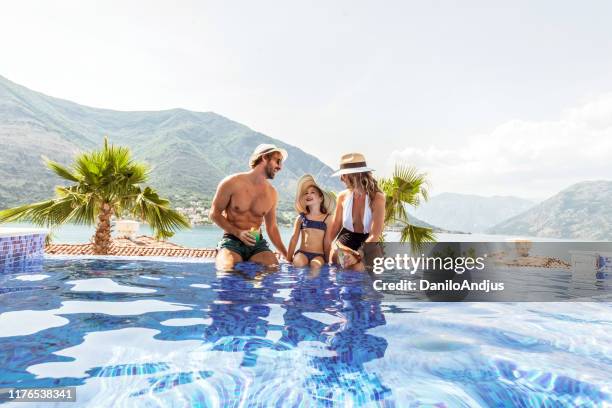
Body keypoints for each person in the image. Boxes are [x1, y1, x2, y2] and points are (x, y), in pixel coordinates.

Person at [210, 143, 289, 270]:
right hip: (232, 241)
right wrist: (238, 233)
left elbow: (272, 228)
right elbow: (214, 213)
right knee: (226, 270)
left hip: (257, 244)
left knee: (273, 270)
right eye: (277, 161)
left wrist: (287, 255)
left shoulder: (272, 193)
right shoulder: (231, 182)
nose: (280, 167)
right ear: (264, 158)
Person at [329, 153, 386, 271]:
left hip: (368, 242)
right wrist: (325, 248)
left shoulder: (377, 198)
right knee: (344, 263)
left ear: (355, 175)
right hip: (345, 242)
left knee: (360, 269)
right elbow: (335, 228)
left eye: (344, 175)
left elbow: (375, 235)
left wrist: (358, 255)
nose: (341, 179)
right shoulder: (342, 197)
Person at [287, 174, 335, 268]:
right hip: (302, 253)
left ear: (321, 198)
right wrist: (288, 259)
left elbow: (327, 242)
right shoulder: (301, 218)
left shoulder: (328, 218)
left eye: (312, 192)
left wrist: (327, 260)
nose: (308, 194)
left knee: (315, 265)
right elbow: (294, 239)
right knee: (298, 262)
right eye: (306, 193)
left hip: (319, 255)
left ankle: (312, 282)